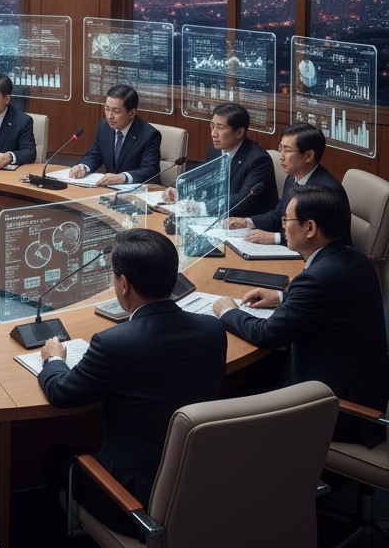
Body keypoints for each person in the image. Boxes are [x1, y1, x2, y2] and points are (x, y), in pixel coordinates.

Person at [39, 228, 226, 536]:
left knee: (55, 458)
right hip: (204, 485)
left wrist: (54, 359)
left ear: (123, 284)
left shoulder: (114, 344)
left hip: (137, 502)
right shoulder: (212, 330)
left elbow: (61, 392)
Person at [214, 185, 388, 446]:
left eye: (287, 219)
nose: (283, 226)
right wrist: (282, 297)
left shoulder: (317, 279)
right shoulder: (356, 259)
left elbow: (267, 334)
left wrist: (228, 311)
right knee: (245, 374)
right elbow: (333, 301)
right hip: (353, 382)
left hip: (336, 408)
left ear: (310, 228)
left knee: (223, 401)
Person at [227, 122, 349, 245]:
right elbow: (279, 214)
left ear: (308, 156)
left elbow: (319, 239)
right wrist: (246, 222)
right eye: (281, 149)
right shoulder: (292, 177)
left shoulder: (326, 191)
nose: (281, 156)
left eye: (287, 150)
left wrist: (275, 238)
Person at [162, 102, 278, 214]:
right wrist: (180, 193)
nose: (213, 133)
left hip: (246, 224)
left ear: (239, 133)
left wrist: (200, 207)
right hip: (219, 218)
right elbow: (205, 182)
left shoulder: (259, 160)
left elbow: (243, 201)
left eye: (220, 128)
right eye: (212, 126)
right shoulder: (215, 149)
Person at [69, 84, 161, 186]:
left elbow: (150, 170)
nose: (109, 116)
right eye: (107, 109)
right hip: (110, 190)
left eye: (116, 111)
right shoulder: (104, 126)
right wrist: (83, 166)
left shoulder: (150, 135)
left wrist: (123, 177)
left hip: (139, 192)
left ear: (132, 113)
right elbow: (95, 155)